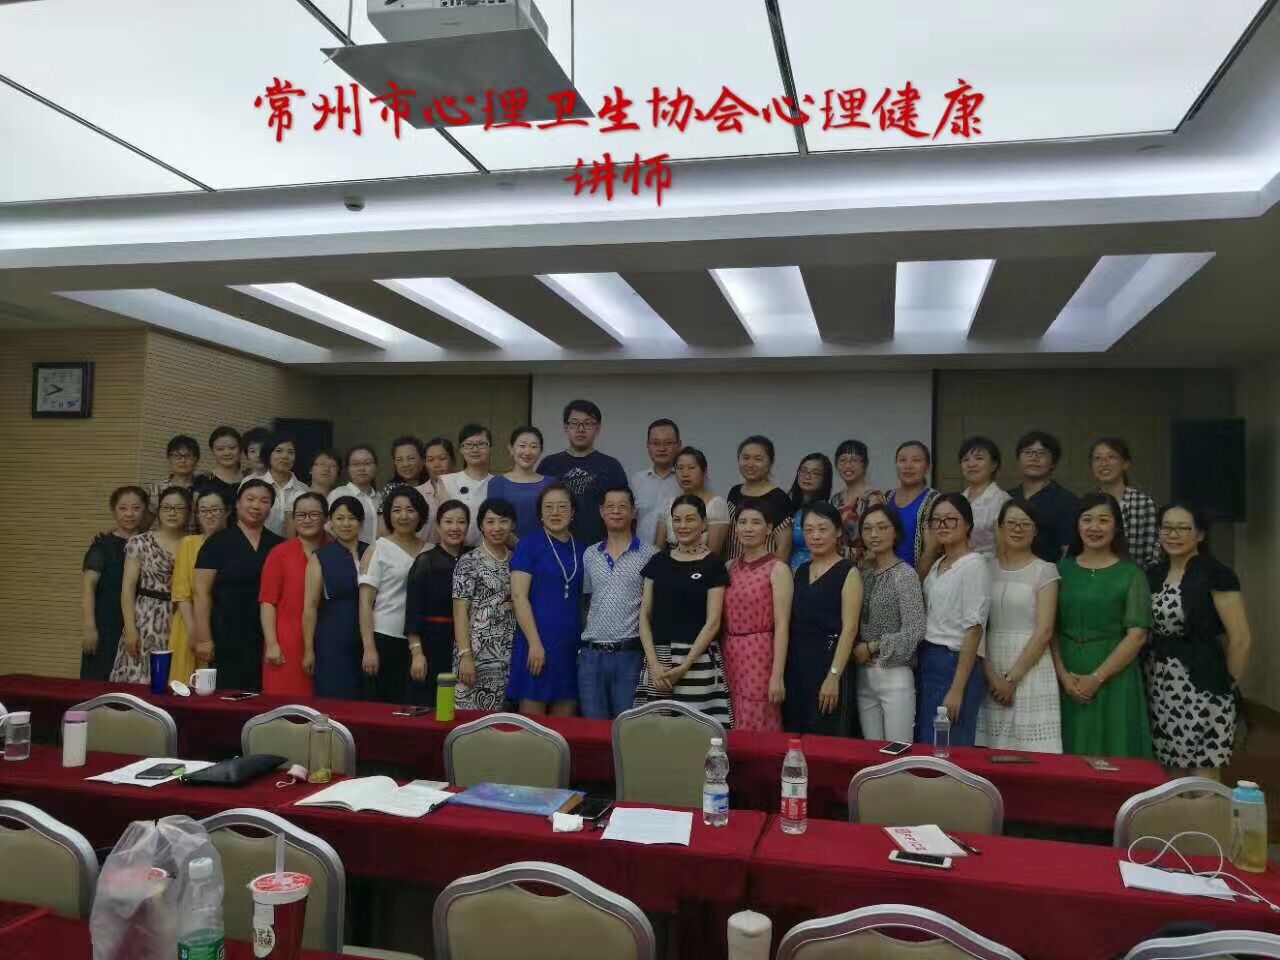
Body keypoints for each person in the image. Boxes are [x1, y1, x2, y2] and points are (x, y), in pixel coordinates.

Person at [1145, 503, 1252, 776]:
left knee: (1202, 774)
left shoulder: (1216, 573)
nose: (1173, 535)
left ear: (1201, 535)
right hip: (1159, 685)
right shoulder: (1153, 574)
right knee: (1169, 774)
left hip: (1204, 683)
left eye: (1183, 528)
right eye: (1167, 528)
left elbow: (1241, 638)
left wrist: (1226, 686)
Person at [1052, 493, 1153, 758]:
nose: (1094, 527)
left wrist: (1097, 678)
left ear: (1116, 527)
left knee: (1114, 751)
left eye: (1103, 520)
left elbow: (1137, 635)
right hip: (1065, 674)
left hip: (1114, 675)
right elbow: (1049, 629)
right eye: (1087, 519)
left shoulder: (1131, 574)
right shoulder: (1060, 570)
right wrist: (1063, 676)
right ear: (1077, 525)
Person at [634, 496, 733, 724]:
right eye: (677, 520)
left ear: (704, 523)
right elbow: (644, 615)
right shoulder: (658, 561)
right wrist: (653, 663)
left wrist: (686, 664)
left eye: (690, 519)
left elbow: (713, 622)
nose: (683, 525)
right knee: (656, 731)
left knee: (698, 732)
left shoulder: (713, 564)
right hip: (659, 659)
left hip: (698, 661)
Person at [975, 499, 1062, 753]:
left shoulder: (1045, 571)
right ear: (1000, 528)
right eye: (1011, 522)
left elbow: (1045, 631)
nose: (1017, 528)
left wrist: (1011, 679)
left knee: (1032, 753)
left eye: (1025, 523)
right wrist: (992, 676)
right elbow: (978, 627)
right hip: (990, 662)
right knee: (989, 752)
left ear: (1035, 530)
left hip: (1031, 665)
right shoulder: (985, 568)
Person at [193, 479, 284, 692]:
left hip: (267, 634)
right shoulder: (216, 543)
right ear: (237, 504)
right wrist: (204, 638)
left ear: (270, 508)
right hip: (226, 631)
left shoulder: (278, 544)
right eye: (250, 499)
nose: (256, 505)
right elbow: (201, 593)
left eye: (264, 501)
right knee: (228, 694)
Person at [916, 493, 991, 746]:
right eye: (937, 520)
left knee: (949, 745)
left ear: (967, 524)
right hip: (929, 658)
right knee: (927, 743)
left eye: (950, 519)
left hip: (955, 662)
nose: (943, 525)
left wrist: (957, 689)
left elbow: (974, 629)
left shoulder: (974, 565)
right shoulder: (938, 563)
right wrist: (929, 550)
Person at [784, 501, 862, 736]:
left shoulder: (848, 572)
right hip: (797, 664)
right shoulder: (801, 571)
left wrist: (834, 675)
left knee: (826, 735)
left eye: (822, 529)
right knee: (795, 734)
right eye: (809, 530)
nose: (815, 536)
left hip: (829, 662)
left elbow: (849, 629)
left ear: (837, 531)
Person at [579, 487, 657, 719]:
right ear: (601, 511)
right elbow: (586, 601)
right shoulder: (590, 554)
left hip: (629, 655)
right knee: (592, 730)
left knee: (628, 728)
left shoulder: (650, 554)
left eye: (622, 506)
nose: (616, 511)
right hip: (592, 656)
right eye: (610, 506)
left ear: (633, 511)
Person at [507, 485, 586, 715]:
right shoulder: (529, 546)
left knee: (565, 725)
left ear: (573, 513)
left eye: (562, 507)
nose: (555, 512)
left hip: (571, 647)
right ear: (540, 514)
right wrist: (534, 643)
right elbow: (519, 597)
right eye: (548, 507)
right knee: (532, 725)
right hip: (536, 643)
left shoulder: (583, 550)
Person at [853, 505, 925, 743]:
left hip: (894, 674)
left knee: (897, 751)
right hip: (864, 676)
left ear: (895, 533)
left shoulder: (905, 575)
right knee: (870, 753)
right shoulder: (862, 573)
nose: (874, 534)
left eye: (882, 527)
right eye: (867, 528)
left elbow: (915, 630)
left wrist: (872, 647)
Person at [723, 501, 791, 731]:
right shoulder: (729, 566)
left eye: (756, 522)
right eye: (742, 522)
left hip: (760, 652)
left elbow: (782, 626)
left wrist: (777, 675)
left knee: (756, 717)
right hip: (729, 649)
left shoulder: (778, 569)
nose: (748, 528)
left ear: (769, 528)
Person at [111, 487, 190, 683]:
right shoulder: (140, 542)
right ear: (158, 510)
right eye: (166, 507)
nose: (172, 513)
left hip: (182, 617)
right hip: (146, 617)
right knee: (141, 678)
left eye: (179, 508)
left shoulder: (194, 543)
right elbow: (128, 589)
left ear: (189, 512)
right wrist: (130, 629)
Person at [358, 487, 429, 704]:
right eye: (397, 510)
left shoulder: (430, 550)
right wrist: (369, 647)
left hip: (423, 639)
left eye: (410, 510)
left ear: (421, 514)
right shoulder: (378, 549)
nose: (403, 516)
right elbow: (365, 602)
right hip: (385, 637)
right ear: (388, 515)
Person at [259, 493, 330, 697]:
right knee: (287, 703)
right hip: (287, 642)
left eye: (314, 514)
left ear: (326, 517)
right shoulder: (280, 553)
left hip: (327, 640)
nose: (307, 520)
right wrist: (272, 643)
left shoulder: (336, 549)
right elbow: (267, 602)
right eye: (301, 515)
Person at [452, 498, 518, 710]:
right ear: (481, 525)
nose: (497, 528)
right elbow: (460, 612)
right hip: (475, 654)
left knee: (501, 721)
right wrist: (465, 655)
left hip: (509, 655)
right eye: (490, 522)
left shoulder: (518, 560)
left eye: (503, 521)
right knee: (469, 720)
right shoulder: (469, 561)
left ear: (512, 524)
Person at [406, 500, 472, 707]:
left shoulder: (474, 558)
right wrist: (417, 653)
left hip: (470, 643)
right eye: (448, 521)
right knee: (435, 704)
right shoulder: (425, 561)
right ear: (438, 526)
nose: (455, 527)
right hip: (433, 643)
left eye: (461, 522)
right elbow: (413, 610)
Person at [302, 496, 369, 699]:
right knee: (335, 696)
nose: (346, 524)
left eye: (352, 518)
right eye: (340, 518)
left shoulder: (372, 552)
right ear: (330, 522)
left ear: (361, 522)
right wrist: (308, 649)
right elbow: (310, 606)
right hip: (333, 637)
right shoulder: (321, 556)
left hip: (371, 636)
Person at [539, 399, 627, 546]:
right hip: (554, 546)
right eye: (574, 423)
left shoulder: (611, 466)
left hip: (600, 548)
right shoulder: (549, 464)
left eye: (587, 424)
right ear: (566, 427)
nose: (580, 429)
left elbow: (624, 510)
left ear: (597, 428)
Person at [81, 486, 147, 681]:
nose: (129, 514)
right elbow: (88, 588)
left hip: (140, 623)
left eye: (136, 508)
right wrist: (90, 628)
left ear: (145, 511)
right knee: (99, 681)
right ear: (113, 511)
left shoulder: (149, 543)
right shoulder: (102, 546)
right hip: (106, 624)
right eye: (123, 508)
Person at [169, 488, 229, 683]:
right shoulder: (188, 543)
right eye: (203, 510)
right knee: (187, 684)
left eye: (215, 510)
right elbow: (181, 594)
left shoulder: (234, 543)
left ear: (227, 511)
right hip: (189, 622)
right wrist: (195, 632)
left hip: (224, 622)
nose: (209, 515)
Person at [1008, 430, 1078, 563]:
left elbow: (1068, 549)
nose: (1034, 458)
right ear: (1018, 460)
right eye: (1028, 452)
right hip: (1009, 569)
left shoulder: (1067, 501)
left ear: (1053, 462)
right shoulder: (1006, 497)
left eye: (1041, 453)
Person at [1091, 437, 1159, 569]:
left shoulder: (1143, 504)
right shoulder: (1087, 504)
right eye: (1097, 458)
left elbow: (1152, 555)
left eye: (1111, 457)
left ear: (1125, 464)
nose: (1103, 463)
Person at [727, 435, 793, 563]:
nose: (750, 464)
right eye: (746, 458)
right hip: (734, 567)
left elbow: (784, 547)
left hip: (764, 569)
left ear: (770, 463)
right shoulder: (734, 492)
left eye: (758, 459)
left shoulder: (779, 499)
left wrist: (775, 572)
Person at [656, 447, 730, 555]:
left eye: (691, 468)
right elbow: (658, 547)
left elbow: (714, 553)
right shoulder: (669, 503)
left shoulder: (716, 504)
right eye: (680, 468)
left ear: (704, 471)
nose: (685, 474)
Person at [883, 441, 939, 575]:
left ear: (927, 467)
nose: (908, 466)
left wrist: (914, 583)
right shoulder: (886, 498)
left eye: (916, 460)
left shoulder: (935, 501)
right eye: (902, 460)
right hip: (885, 577)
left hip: (921, 578)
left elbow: (933, 550)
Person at [486, 426, 551, 541]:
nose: (527, 452)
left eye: (534, 447)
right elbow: (495, 521)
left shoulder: (551, 483)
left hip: (544, 547)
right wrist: (519, 546)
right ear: (511, 449)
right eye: (522, 446)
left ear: (541, 451)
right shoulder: (497, 483)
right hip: (506, 547)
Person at [440, 424, 496, 546]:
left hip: (490, 550)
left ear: (490, 447)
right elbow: (444, 521)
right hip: (456, 549)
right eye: (469, 444)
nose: (475, 449)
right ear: (461, 449)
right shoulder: (447, 481)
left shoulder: (498, 483)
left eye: (481, 444)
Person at [830, 439, 882, 566]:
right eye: (843, 460)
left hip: (866, 564)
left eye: (854, 460)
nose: (848, 465)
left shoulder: (873, 498)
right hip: (837, 564)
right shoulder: (835, 499)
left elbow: (878, 537)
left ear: (865, 465)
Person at [631, 418, 681, 546]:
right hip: (641, 553)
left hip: (678, 554)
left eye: (668, 443)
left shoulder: (687, 480)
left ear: (679, 445)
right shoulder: (636, 481)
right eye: (655, 443)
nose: (662, 448)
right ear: (648, 445)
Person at [959, 436, 1010, 560]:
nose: (971, 464)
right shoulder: (957, 500)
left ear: (994, 465)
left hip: (990, 566)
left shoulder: (1003, 501)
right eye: (966, 459)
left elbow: (1006, 549)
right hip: (957, 566)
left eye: (979, 458)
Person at [250, 433, 308, 537]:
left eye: (290, 452)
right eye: (279, 451)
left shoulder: (304, 490)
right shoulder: (252, 485)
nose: (285, 456)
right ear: (268, 454)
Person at [787, 453, 834, 571]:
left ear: (824, 479)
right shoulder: (787, 505)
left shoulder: (825, 512)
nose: (807, 476)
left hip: (814, 571)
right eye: (803, 471)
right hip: (786, 571)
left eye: (815, 473)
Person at [328, 445, 382, 546]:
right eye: (356, 464)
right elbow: (328, 529)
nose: (362, 468)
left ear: (375, 468)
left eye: (367, 463)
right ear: (348, 469)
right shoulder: (338, 494)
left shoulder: (380, 498)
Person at [146, 435, 200, 532]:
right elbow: (146, 523)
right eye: (177, 456)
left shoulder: (203, 488)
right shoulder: (157, 489)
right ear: (169, 459)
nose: (182, 461)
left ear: (196, 460)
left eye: (188, 456)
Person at [200, 426, 245, 508]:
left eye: (232, 448)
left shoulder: (249, 479)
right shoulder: (203, 481)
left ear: (240, 449)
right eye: (220, 449)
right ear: (212, 451)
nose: (227, 453)